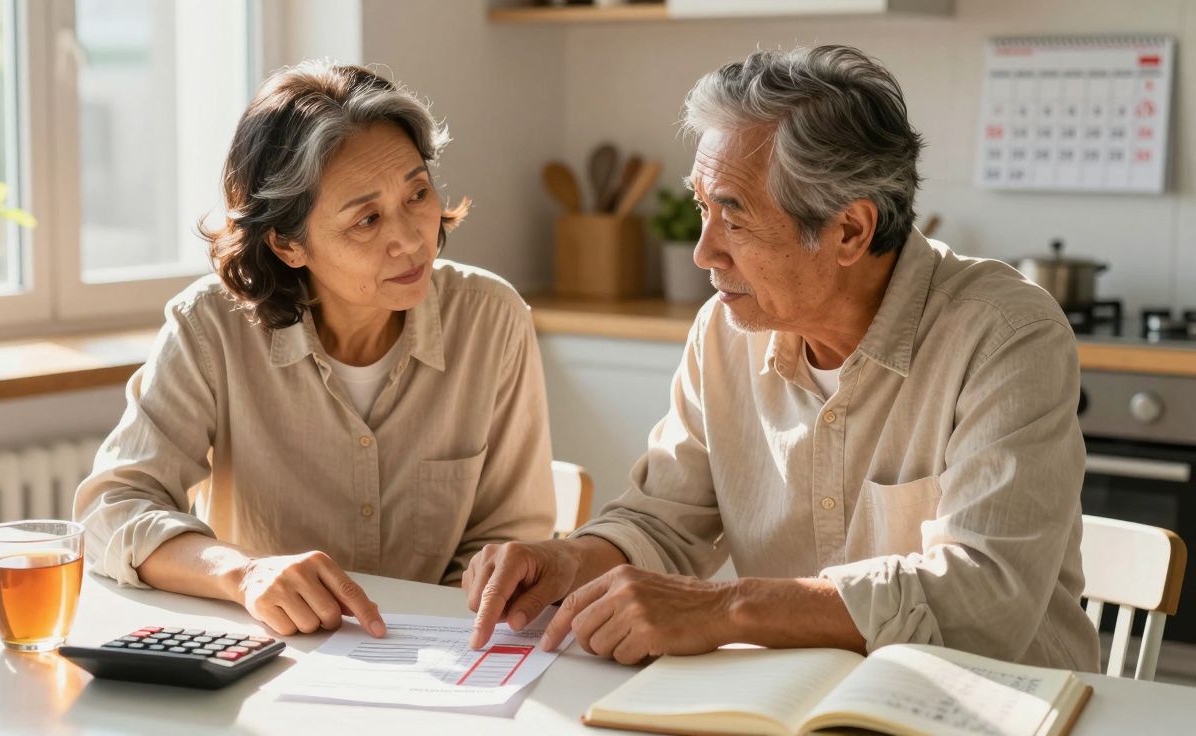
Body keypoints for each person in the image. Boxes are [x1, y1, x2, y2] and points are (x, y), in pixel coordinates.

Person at [463, 44, 1099, 671]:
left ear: (849, 229)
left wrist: (725, 609)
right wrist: (569, 559)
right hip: (792, 700)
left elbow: (984, 596)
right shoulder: (726, 328)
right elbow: (665, 522)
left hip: (999, 706)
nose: (703, 253)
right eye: (701, 208)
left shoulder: (1006, 334)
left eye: (733, 219)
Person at [76, 61, 555, 638]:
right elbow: (113, 508)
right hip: (270, 661)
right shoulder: (210, 327)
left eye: (418, 193)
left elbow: (508, 539)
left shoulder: (491, 318)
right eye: (367, 220)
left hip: (441, 661)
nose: (409, 239)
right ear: (287, 243)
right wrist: (243, 574)